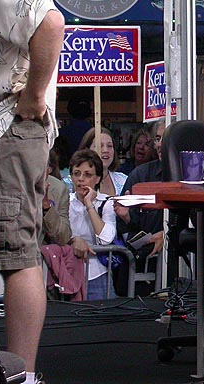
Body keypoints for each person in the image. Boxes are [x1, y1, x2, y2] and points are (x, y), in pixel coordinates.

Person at [0, 0, 65, 382]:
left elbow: (50, 24)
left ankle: (22, 376)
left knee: (15, 255)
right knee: (13, 251)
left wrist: (32, 97)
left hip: (4, 135)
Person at [113, 119, 165, 296]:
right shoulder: (140, 175)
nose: (160, 144)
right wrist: (126, 216)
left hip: (180, 268)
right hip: (142, 267)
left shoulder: (192, 176)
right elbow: (126, 227)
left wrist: (167, 235)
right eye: (157, 139)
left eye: (166, 138)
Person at [67, 149, 118, 300]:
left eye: (87, 175)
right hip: (67, 271)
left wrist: (89, 204)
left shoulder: (106, 203)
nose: (80, 179)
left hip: (96, 275)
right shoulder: (65, 201)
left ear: (97, 179)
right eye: (76, 174)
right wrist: (73, 240)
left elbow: (105, 239)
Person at [69, 127, 128, 196]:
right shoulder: (68, 184)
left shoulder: (124, 180)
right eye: (100, 146)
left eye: (109, 146)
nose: (106, 150)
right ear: (86, 150)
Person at [41, 151, 71, 246]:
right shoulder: (12, 185)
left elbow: (63, 237)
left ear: (49, 169)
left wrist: (46, 207)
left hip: (42, 251)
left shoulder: (59, 189)